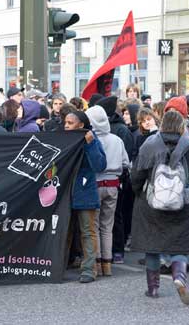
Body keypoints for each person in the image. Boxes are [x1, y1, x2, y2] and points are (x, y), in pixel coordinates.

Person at [131, 111, 189, 305]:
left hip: (151, 203)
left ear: (162, 125)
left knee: (152, 246)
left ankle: (153, 289)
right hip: (181, 204)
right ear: (181, 126)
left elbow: (137, 174)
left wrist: (138, 192)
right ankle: (179, 276)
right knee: (179, 244)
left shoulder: (150, 144)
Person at [86, 106, 130, 275]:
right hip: (113, 184)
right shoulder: (116, 139)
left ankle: (97, 262)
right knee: (107, 225)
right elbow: (126, 162)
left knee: (94, 225)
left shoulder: (90, 139)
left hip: (95, 183)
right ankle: (107, 263)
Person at [65, 111, 107, 283]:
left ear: (81, 125)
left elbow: (100, 165)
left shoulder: (91, 139)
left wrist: (89, 145)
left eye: (70, 122)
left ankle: (89, 270)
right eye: (65, 122)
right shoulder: (63, 139)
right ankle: (57, 267)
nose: (66, 125)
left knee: (87, 232)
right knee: (63, 232)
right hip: (65, 193)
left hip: (85, 192)